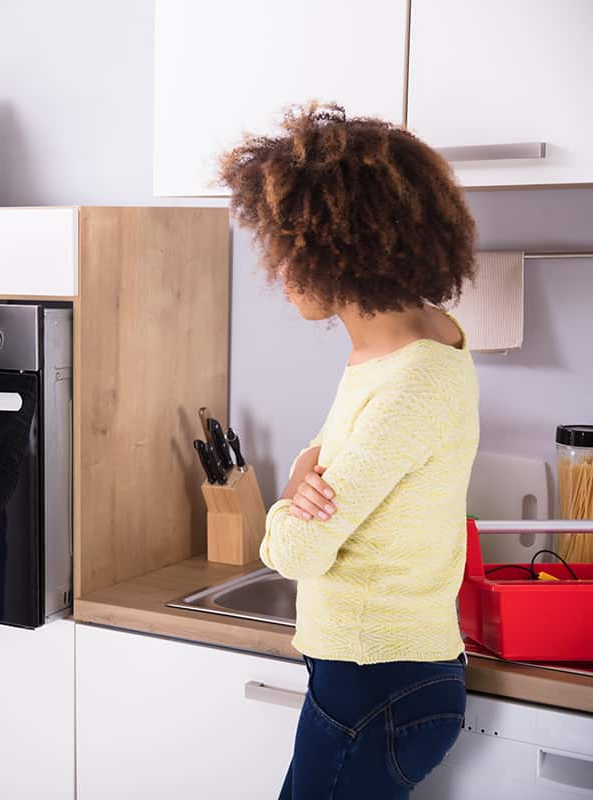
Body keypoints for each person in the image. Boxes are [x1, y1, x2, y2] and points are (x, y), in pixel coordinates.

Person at [217, 103, 480, 799]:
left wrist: (285, 506)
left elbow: (299, 551)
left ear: (338, 247)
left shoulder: (408, 383)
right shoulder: (412, 340)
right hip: (378, 680)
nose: (277, 273)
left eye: (284, 249)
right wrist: (311, 465)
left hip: (377, 686)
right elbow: (335, 448)